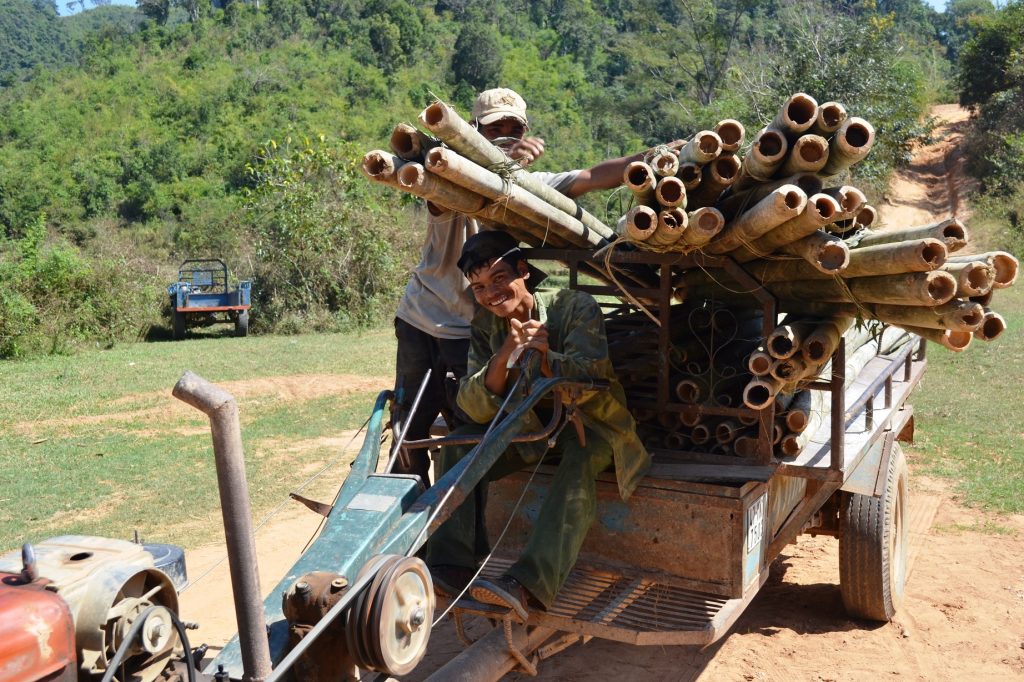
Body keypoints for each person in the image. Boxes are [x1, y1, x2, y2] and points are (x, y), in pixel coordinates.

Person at [391, 87, 661, 484]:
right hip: (419, 316)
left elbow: (592, 176)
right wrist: (493, 163)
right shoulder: (447, 172)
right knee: (407, 425)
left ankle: (445, 519)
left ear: (524, 131)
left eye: (512, 127)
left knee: (466, 423)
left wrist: (657, 157)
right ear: (471, 131)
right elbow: (437, 196)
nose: (503, 133)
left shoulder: (529, 186)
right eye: (492, 127)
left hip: (470, 325)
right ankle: (403, 507)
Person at [424, 230, 651, 619]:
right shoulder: (485, 325)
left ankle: (529, 585)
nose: (491, 293)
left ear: (523, 271)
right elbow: (472, 404)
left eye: (499, 279)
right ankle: (451, 565)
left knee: (581, 457)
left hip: (591, 424)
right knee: (459, 442)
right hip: (527, 431)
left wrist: (547, 357)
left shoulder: (574, 306)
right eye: (479, 287)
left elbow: (592, 376)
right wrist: (505, 354)